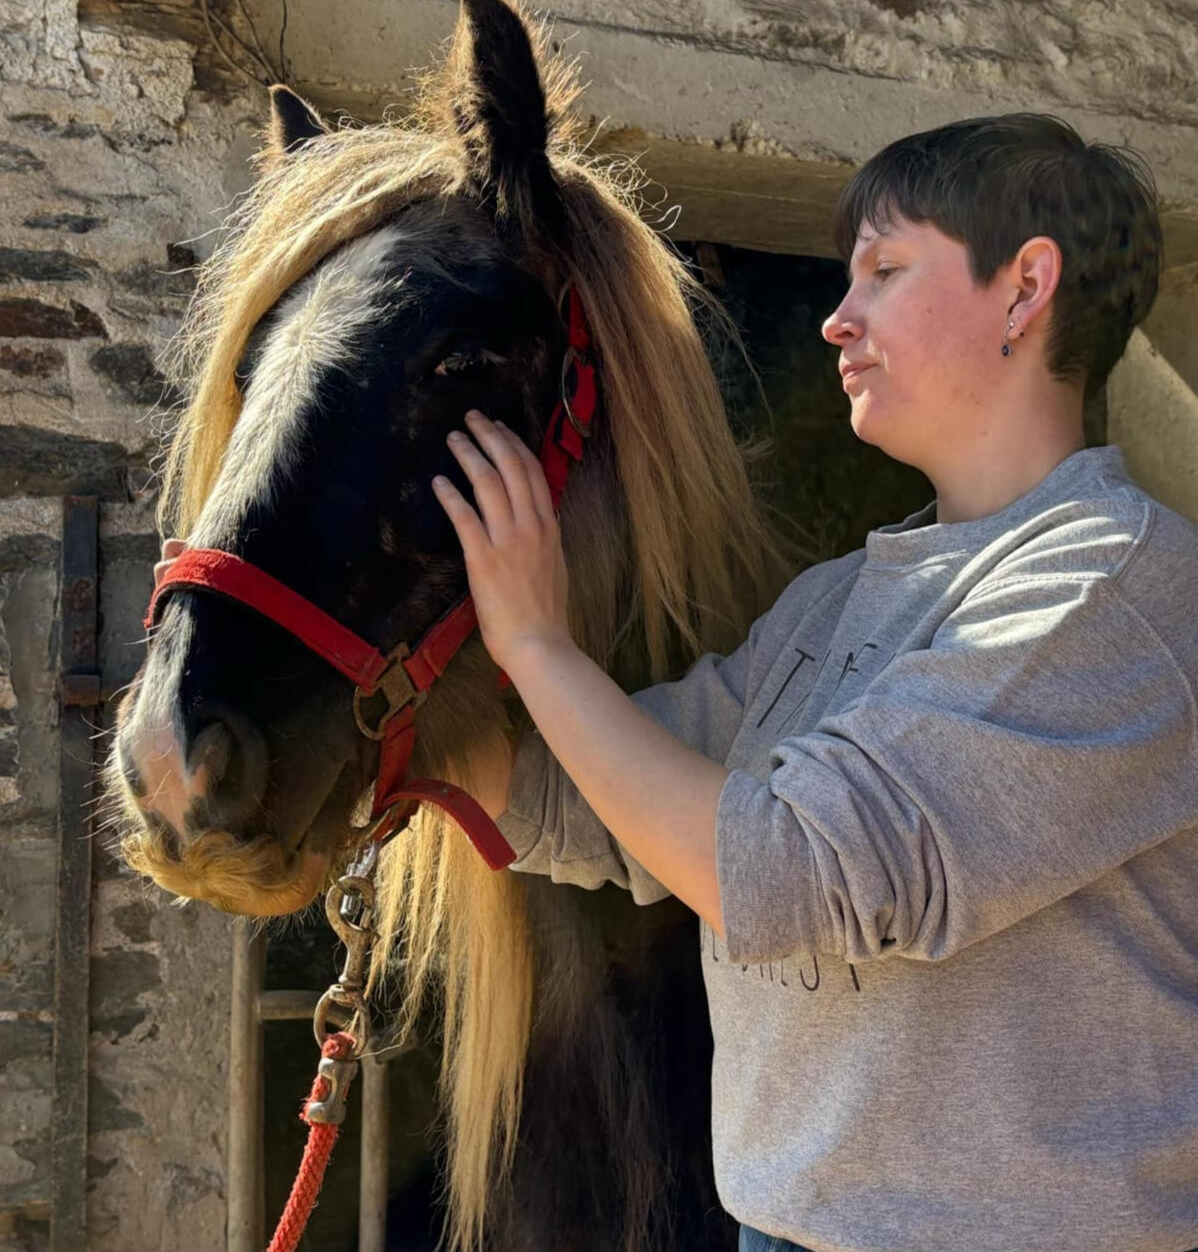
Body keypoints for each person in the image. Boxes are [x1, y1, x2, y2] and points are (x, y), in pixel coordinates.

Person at [427, 115, 1198, 1252]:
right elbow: (624, 799)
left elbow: (789, 870)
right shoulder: (836, 600)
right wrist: (405, 738)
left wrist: (540, 645)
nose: (838, 316)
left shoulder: (1112, 585)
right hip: (783, 1228)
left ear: (1026, 286)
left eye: (885, 270)